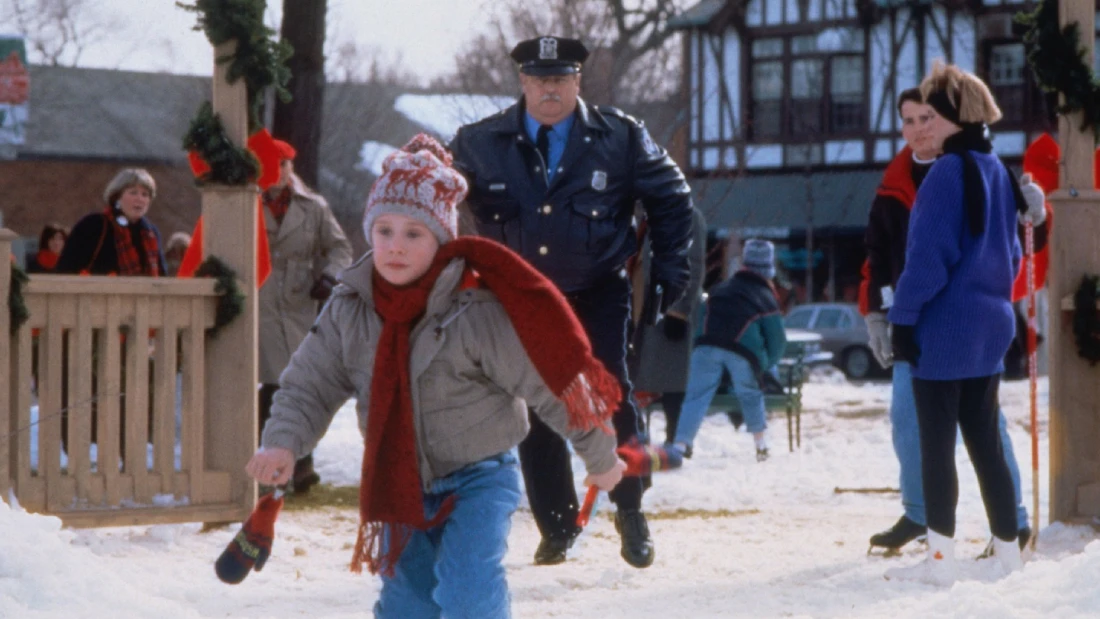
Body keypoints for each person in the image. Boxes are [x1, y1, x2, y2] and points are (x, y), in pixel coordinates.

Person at [246, 134, 625, 619]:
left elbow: (547, 382)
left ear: (441, 239)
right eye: (384, 230)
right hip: (399, 478)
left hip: (480, 477)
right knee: (408, 604)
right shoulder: (351, 305)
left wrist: (599, 454)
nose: (395, 247)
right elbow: (308, 385)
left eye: (413, 234)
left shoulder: (473, 307)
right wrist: (282, 442)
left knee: (467, 591)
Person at [449, 35, 693, 569]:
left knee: (610, 396)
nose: (549, 89)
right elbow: (434, 198)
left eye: (560, 79)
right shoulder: (478, 142)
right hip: (520, 298)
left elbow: (673, 198)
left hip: (597, 289)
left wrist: (669, 268)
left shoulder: (621, 137)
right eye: (539, 79)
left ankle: (630, 506)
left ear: (578, 81)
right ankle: (556, 524)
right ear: (522, 82)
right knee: (538, 406)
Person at [861, 89, 1044, 556]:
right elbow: (878, 256)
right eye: (909, 120)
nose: (919, 127)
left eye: (928, 116)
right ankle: (924, 516)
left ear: (949, 119)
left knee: (970, 435)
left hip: (935, 322)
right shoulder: (896, 180)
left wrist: (1037, 215)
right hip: (941, 319)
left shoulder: (969, 168)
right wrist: (874, 314)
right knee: (914, 425)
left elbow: (1011, 245)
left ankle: (1002, 528)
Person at [256, 138, 353, 494]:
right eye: (272, 164)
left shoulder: (313, 207)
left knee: (297, 380)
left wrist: (330, 276)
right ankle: (277, 462)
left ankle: (298, 463)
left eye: (284, 164)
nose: (279, 172)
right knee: (269, 381)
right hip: (259, 301)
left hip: (299, 304)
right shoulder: (245, 203)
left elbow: (340, 247)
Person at [666, 239, 786, 462]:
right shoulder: (767, 298)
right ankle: (761, 444)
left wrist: (701, 345)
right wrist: (765, 365)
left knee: (695, 396)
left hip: (706, 346)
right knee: (750, 394)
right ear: (769, 269)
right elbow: (778, 341)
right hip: (743, 352)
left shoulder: (720, 289)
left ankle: (681, 445)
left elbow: (701, 319)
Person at [630, 207, 707, 445]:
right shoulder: (638, 213)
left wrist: (679, 309)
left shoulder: (685, 214)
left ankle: (676, 439)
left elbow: (692, 264)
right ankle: (635, 434)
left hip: (666, 307)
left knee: (671, 381)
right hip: (636, 306)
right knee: (634, 377)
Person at [56, 168, 166, 276]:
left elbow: (161, 277)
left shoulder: (151, 233)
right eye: (133, 192)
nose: (140, 199)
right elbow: (66, 269)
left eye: (145, 194)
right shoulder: (94, 225)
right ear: (117, 196)